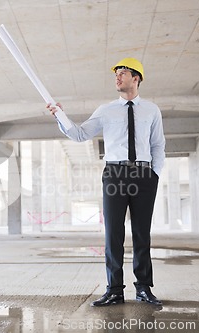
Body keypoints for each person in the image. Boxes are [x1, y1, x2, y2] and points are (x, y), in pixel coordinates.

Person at [47, 57, 165, 306]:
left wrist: (155, 175)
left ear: (136, 78)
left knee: (142, 234)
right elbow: (79, 134)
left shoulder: (152, 110)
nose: (117, 77)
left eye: (122, 73)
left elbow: (157, 145)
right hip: (115, 174)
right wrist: (61, 115)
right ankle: (114, 290)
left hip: (144, 175)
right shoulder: (106, 110)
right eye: (116, 74)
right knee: (113, 234)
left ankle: (144, 288)